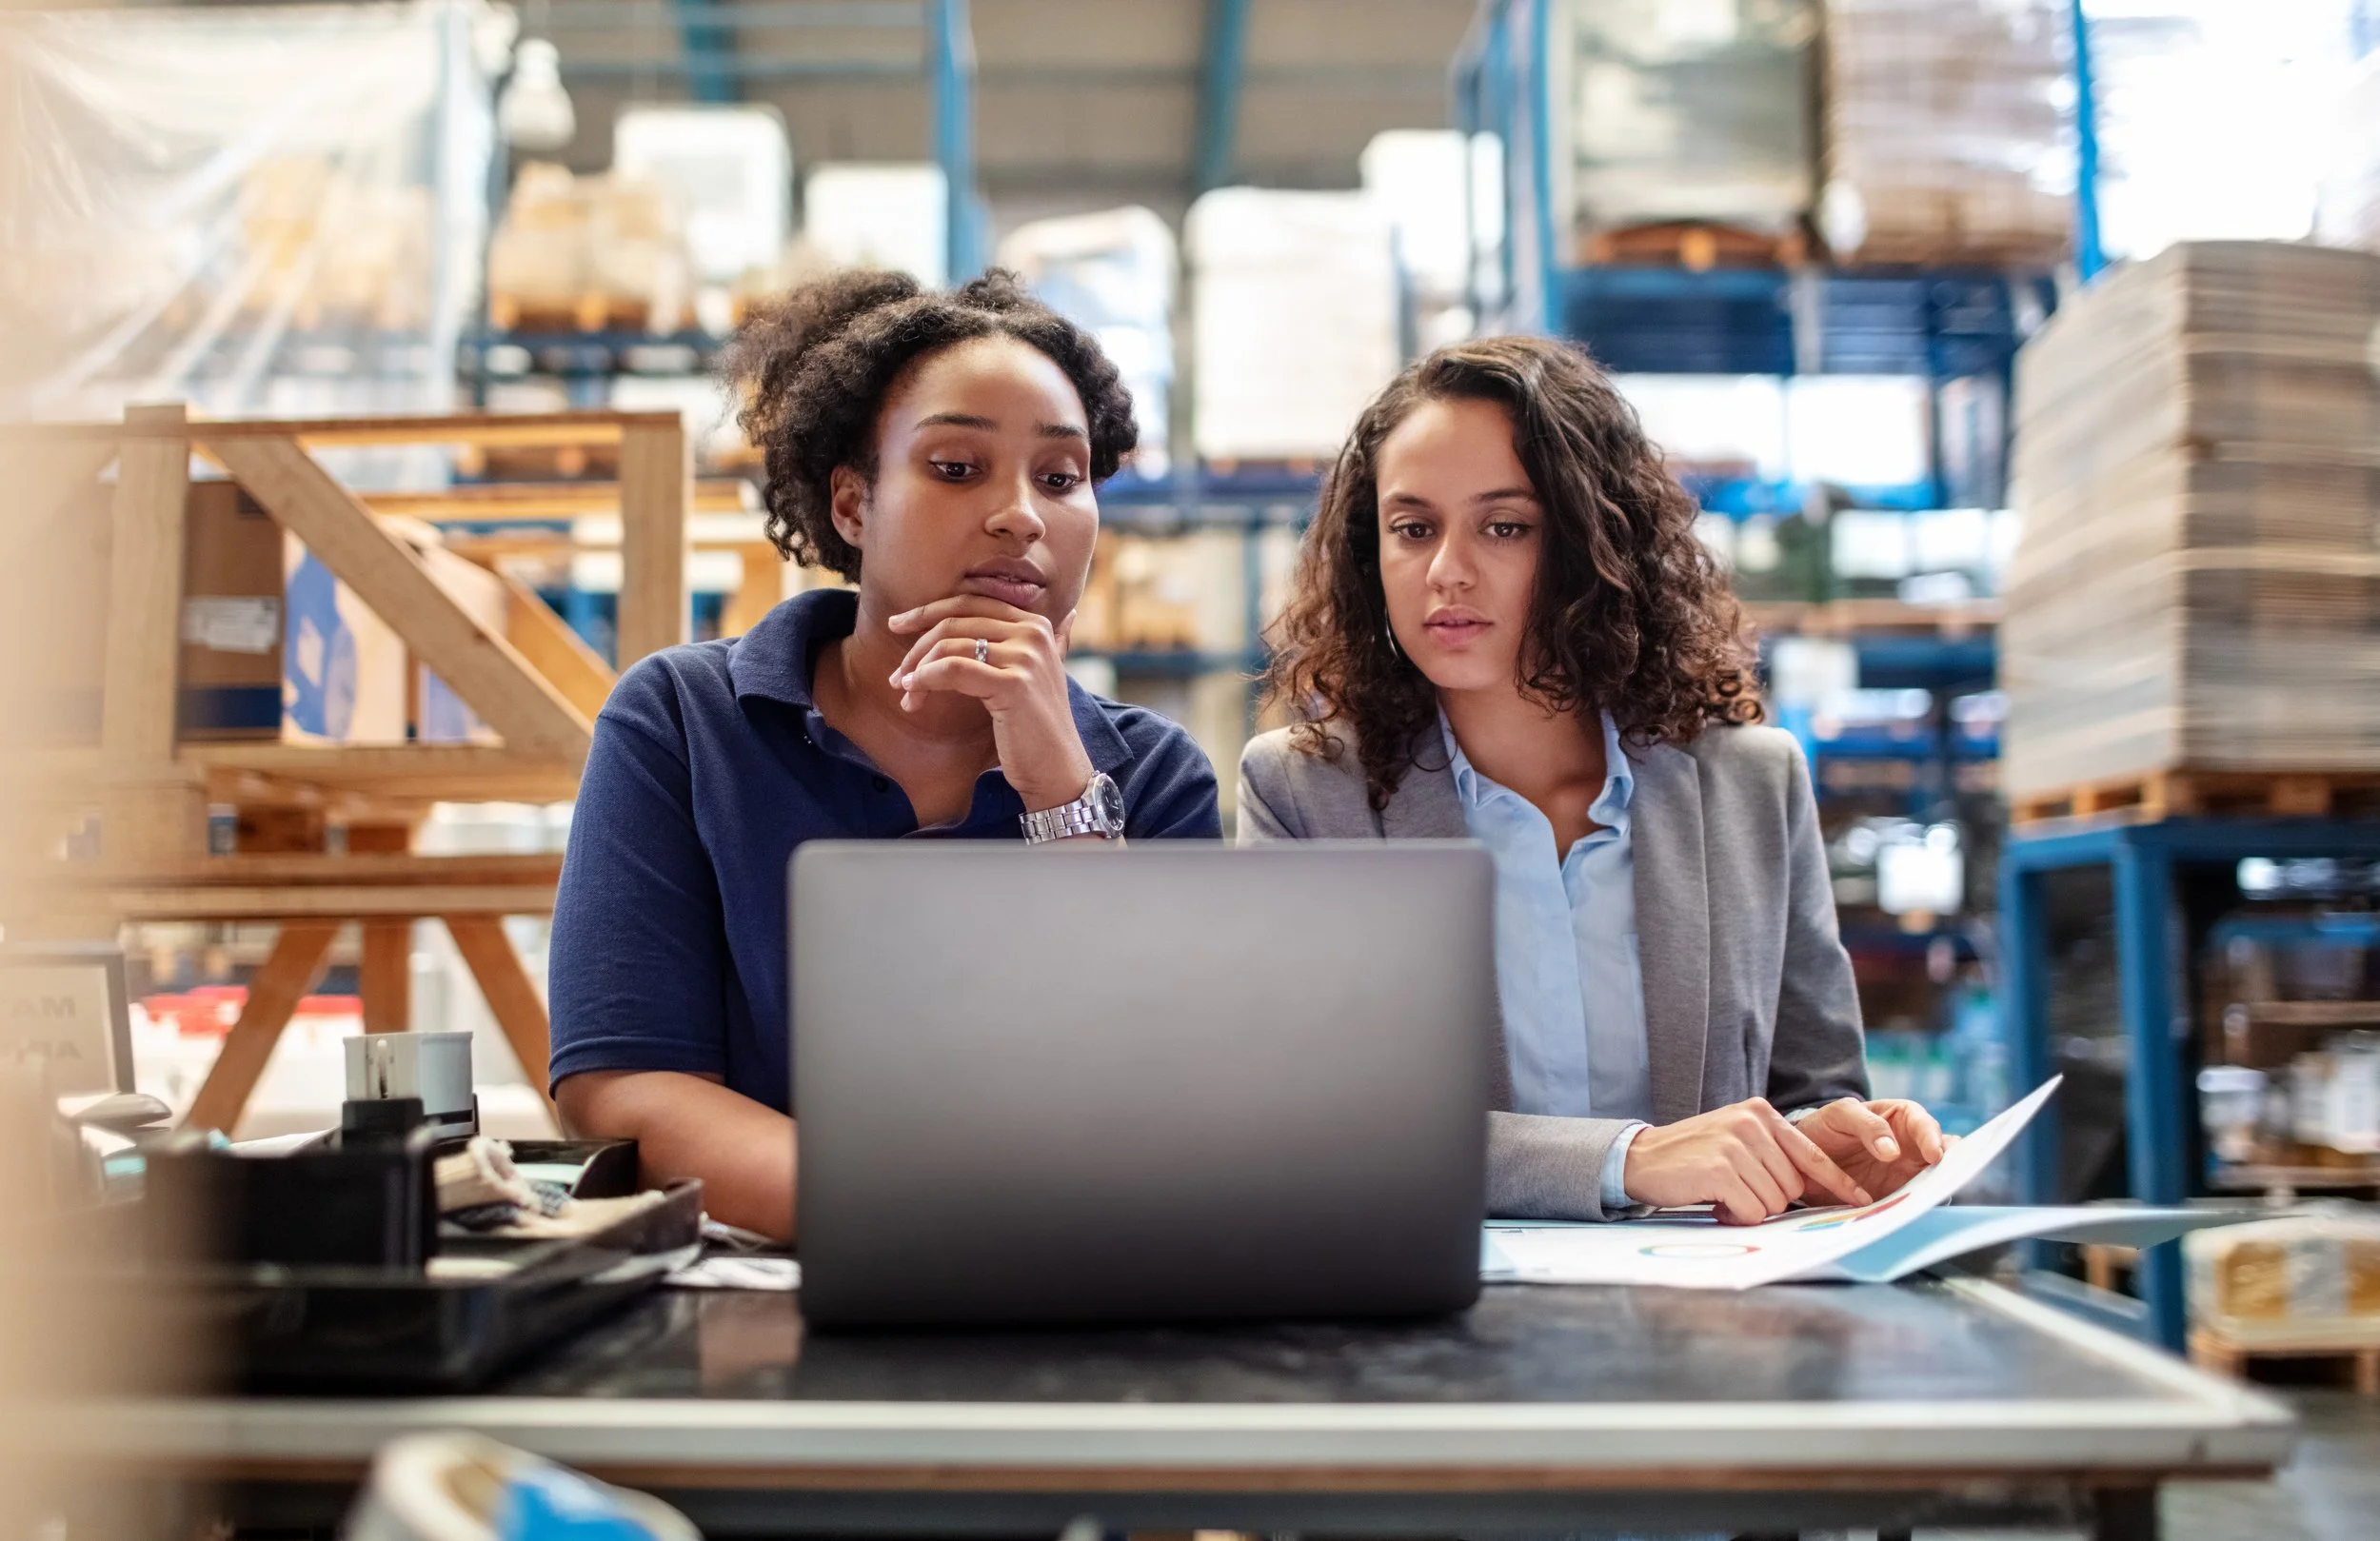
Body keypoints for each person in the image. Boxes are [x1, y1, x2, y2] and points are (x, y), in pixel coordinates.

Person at [548, 269, 1221, 1240]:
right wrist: (912, 1217)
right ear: (853, 504)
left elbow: (1166, 1100)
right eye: (957, 467)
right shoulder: (682, 723)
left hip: (1071, 1299)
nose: (1020, 515)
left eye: (1061, 477)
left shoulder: (1152, 775)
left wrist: (1060, 792)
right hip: (777, 1302)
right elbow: (622, 1085)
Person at [1239, 335, 1945, 1225]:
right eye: (1413, 528)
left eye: (1505, 526)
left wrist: (1844, 1149)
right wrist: (1628, 1160)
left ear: (1588, 541)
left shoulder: (1753, 785)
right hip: (1438, 1326)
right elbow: (1313, 1129)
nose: (1447, 568)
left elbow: (1812, 1088)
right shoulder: (1305, 793)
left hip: (1710, 1326)